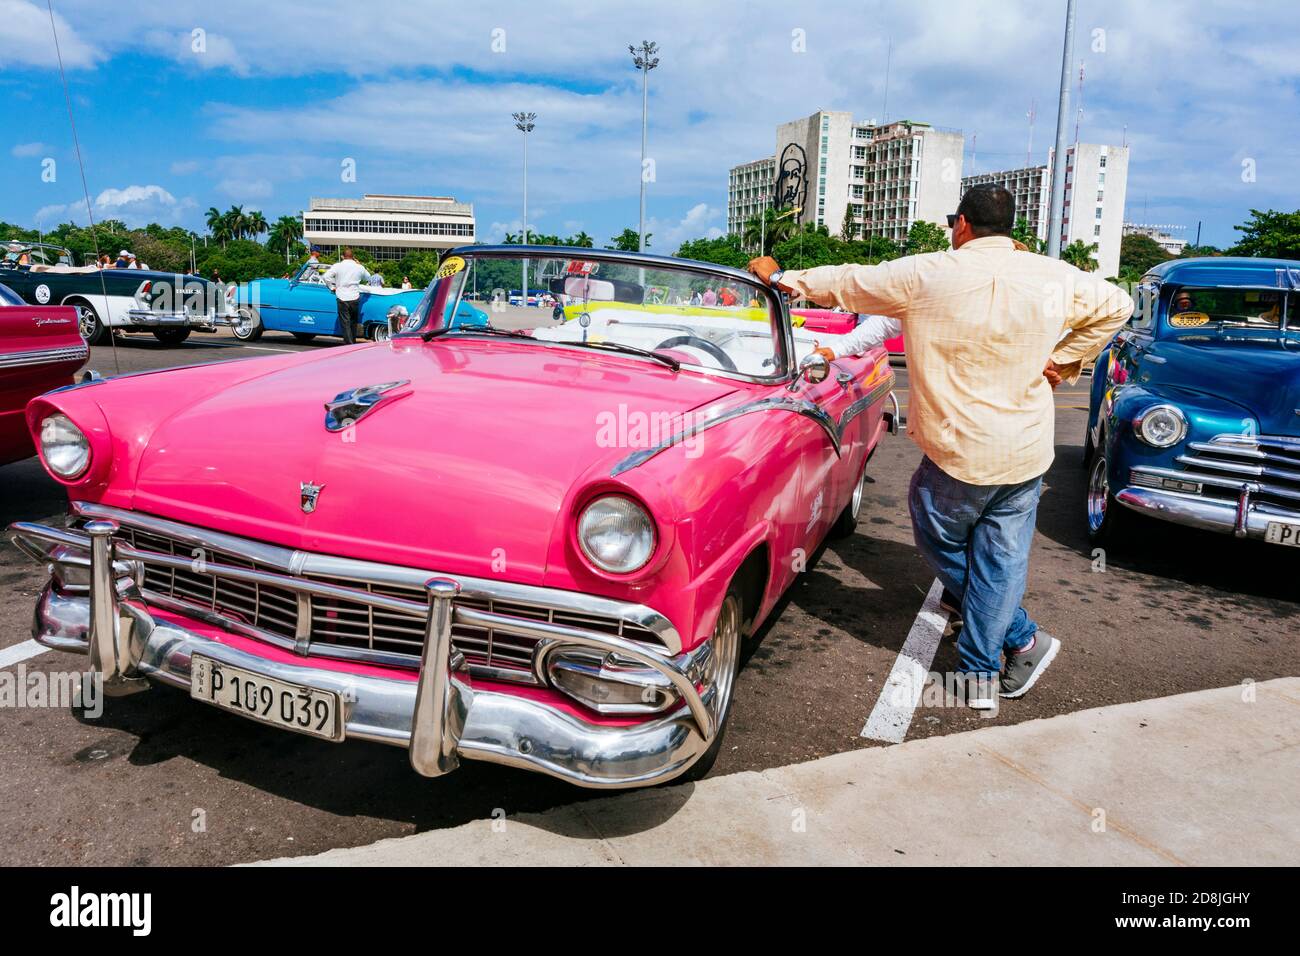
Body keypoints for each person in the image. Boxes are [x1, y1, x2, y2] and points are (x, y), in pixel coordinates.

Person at [749, 183, 1133, 709]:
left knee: (938, 535)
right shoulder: (1054, 275)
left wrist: (781, 277)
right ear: (1010, 226)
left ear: (962, 225)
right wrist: (1067, 358)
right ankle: (983, 671)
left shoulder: (927, 272)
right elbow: (1120, 304)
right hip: (1024, 452)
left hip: (959, 453)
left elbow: (847, 283)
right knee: (1000, 563)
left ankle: (1019, 636)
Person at [322, 247, 371, 345]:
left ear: (342, 256)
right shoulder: (359, 267)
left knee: (345, 323)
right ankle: (352, 341)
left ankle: (349, 344)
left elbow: (325, 276)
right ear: (353, 257)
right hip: (355, 296)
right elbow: (368, 277)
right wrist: (359, 264)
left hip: (342, 296)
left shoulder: (338, 266)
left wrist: (332, 287)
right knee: (353, 322)